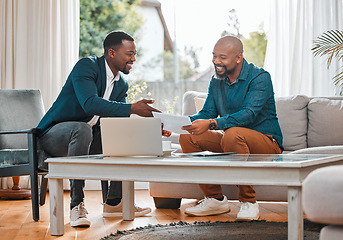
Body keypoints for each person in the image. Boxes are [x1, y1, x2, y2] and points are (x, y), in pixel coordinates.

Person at [37, 31, 168, 228]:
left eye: (135, 54)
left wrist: (150, 127)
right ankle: (76, 205)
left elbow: (118, 118)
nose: (134, 58)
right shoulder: (87, 66)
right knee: (82, 129)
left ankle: (114, 203)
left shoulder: (121, 83)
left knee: (120, 134)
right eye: (129, 53)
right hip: (54, 135)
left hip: (87, 137)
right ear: (112, 53)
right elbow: (89, 104)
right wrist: (133, 107)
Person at [179, 36, 283, 221]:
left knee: (233, 134)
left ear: (238, 58)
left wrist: (212, 124)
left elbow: (248, 114)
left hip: (267, 143)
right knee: (187, 138)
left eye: (222, 57)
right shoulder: (217, 80)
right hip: (232, 139)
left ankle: (249, 202)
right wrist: (178, 124)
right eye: (214, 56)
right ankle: (215, 200)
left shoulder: (260, 77)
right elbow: (208, 111)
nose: (216, 61)